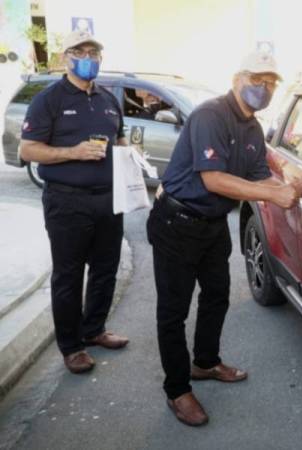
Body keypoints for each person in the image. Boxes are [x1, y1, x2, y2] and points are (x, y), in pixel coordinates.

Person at [146, 51, 302, 427]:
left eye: (271, 82)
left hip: (211, 225)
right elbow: (214, 179)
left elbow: (260, 176)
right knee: (173, 312)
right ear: (237, 78)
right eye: (257, 80)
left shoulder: (254, 129)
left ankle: (205, 363)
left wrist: (289, 186)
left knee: (217, 295)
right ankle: (177, 390)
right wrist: (275, 196)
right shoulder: (210, 115)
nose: (265, 88)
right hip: (177, 222)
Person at [20, 30, 129, 375]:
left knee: (105, 270)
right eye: (80, 51)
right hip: (67, 202)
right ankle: (71, 346)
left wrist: (130, 158)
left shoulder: (108, 100)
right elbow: (28, 150)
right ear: (66, 57)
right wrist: (74, 152)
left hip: (108, 200)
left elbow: (121, 140)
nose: (88, 57)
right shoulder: (48, 100)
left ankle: (94, 329)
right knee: (68, 276)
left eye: (94, 52)